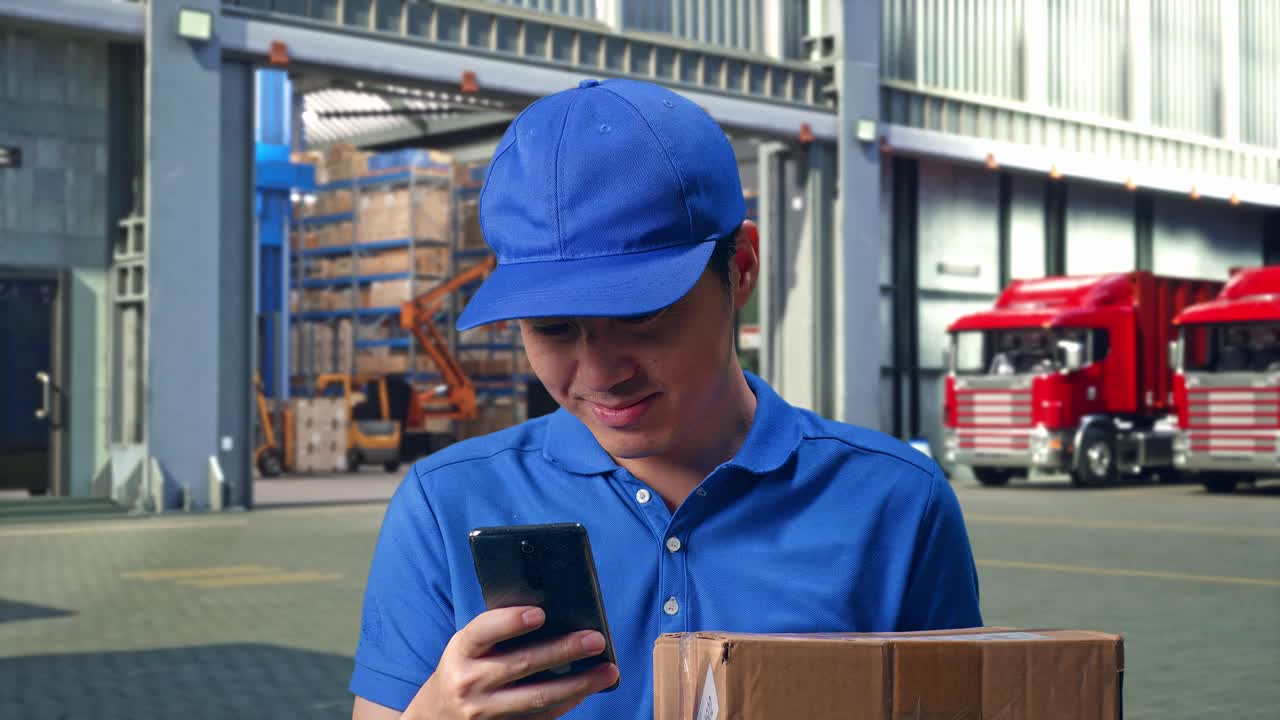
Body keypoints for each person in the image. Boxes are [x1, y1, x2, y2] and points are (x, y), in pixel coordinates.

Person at [350, 78, 982, 720]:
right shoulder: (445, 504)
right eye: (554, 328)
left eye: (640, 315)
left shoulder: (896, 506)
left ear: (740, 269)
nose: (600, 373)